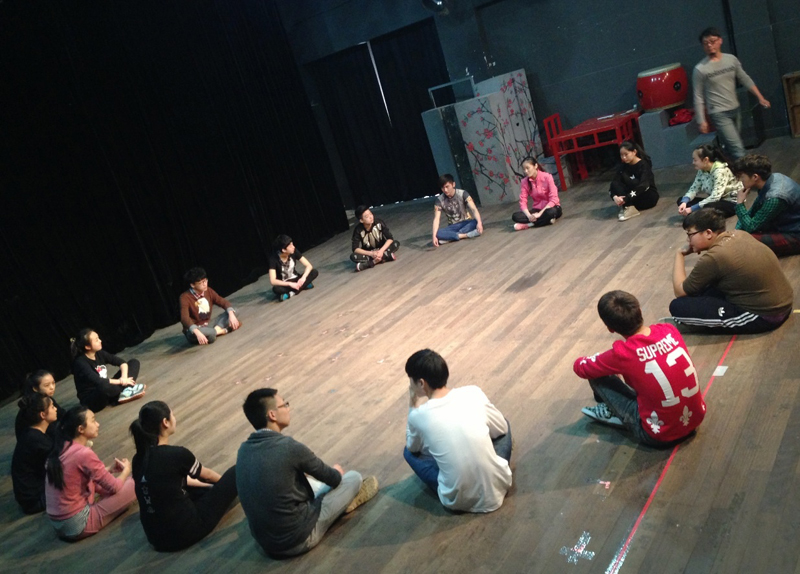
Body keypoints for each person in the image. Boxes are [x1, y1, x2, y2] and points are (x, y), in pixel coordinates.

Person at [236, 388, 378, 557]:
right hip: (300, 538)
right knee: (353, 478)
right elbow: (333, 478)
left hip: (267, 545)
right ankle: (343, 504)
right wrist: (336, 472)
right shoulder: (288, 447)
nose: (288, 408)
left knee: (305, 481)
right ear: (272, 415)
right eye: (284, 405)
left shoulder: (243, 450)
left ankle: (337, 502)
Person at [574, 291, 706, 446]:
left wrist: (605, 360)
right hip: (694, 421)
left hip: (657, 435)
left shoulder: (622, 353)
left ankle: (612, 410)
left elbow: (581, 367)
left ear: (610, 328)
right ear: (640, 311)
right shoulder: (668, 330)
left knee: (597, 375)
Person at [404, 349, 512, 513]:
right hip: (499, 486)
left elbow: (412, 448)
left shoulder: (418, 416)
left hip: (457, 500)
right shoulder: (472, 392)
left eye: (410, 380)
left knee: (408, 452)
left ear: (421, 383)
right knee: (504, 423)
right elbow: (502, 428)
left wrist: (412, 405)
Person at [130, 401, 238, 552]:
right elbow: (207, 476)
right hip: (188, 531)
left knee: (191, 487)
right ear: (165, 422)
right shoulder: (176, 454)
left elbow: (169, 481)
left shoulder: (138, 459)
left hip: (156, 539)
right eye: (172, 415)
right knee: (236, 471)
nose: (174, 418)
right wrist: (225, 487)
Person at [671, 208, 793, 333]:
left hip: (766, 316)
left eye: (690, 234)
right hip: (784, 303)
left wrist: (679, 254)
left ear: (708, 233)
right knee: (702, 288)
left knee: (677, 307)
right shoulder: (740, 234)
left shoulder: (715, 257)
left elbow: (680, 291)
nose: (688, 240)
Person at [45, 406, 137, 540]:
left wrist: (108, 469)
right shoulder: (83, 453)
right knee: (135, 481)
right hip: (78, 524)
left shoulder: (61, 448)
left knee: (108, 484)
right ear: (80, 429)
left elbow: (78, 479)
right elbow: (114, 487)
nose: (97, 424)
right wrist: (127, 469)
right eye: (93, 421)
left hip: (59, 524)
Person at [693, 27, 771, 160]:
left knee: (730, 147)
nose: (709, 45)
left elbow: (744, 78)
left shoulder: (731, 60)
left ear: (720, 41)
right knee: (738, 149)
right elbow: (698, 96)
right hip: (718, 113)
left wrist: (760, 97)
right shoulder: (700, 69)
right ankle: (747, 171)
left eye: (712, 41)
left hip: (735, 109)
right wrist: (701, 120)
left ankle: (727, 168)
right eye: (706, 43)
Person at [732, 154, 800, 256]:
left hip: (795, 234)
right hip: (785, 224)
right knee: (741, 235)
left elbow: (751, 227)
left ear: (755, 177)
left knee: (744, 240)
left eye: (742, 177)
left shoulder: (775, 197)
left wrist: (740, 204)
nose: (741, 180)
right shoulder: (773, 178)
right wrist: (736, 231)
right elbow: (753, 211)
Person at [71, 328, 145, 412]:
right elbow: (99, 381)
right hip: (93, 397)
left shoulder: (99, 353)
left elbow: (122, 363)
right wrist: (121, 382)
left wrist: (124, 378)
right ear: (87, 347)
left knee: (133, 363)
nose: (100, 341)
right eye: (96, 340)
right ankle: (123, 392)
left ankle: (122, 393)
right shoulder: (80, 363)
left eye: (98, 338)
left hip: (108, 386)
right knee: (104, 387)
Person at [12, 394, 58, 514]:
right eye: (52, 407)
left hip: (32, 496)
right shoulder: (35, 439)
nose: (56, 409)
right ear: (43, 415)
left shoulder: (32, 433)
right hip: (35, 500)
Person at [179, 267, 241, 345]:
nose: (205, 284)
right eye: (201, 283)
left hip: (208, 325)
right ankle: (222, 331)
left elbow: (222, 302)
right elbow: (184, 318)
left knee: (234, 310)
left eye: (205, 281)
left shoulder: (208, 291)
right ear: (192, 285)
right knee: (210, 335)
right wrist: (197, 332)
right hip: (195, 330)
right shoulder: (184, 297)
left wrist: (231, 315)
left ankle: (216, 331)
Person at [677, 143, 741, 218]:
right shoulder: (702, 170)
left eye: (695, 160)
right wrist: (684, 202)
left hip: (730, 203)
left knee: (709, 206)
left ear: (705, 160)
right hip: (716, 201)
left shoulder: (720, 171)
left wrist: (692, 208)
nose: (693, 162)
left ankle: (699, 215)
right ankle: (700, 214)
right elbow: (694, 188)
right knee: (681, 200)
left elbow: (715, 197)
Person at [609, 141, 659, 221]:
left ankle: (627, 206)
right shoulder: (623, 167)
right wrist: (614, 197)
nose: (624, 157)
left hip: (647, 198)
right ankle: (628, 207)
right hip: (633, 199)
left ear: (634, 152)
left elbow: (644, 185)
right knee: (615, 183)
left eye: (626, 154)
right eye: (621, 155)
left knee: (634, 182)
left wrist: (626, 198)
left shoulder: (644, 165)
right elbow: (614, 184)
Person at [432, 174, 484, 246]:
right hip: (453, 226)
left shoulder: (463, 193)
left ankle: (450, 237)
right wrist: (434, 236)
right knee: (438, 233)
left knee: (476, 222)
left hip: (465, 222)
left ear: (453, 184)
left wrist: (479, 223)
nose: (445, 190)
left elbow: (474, 209)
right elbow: (436, 219)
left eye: (447, 187)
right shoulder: (439, 200)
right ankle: (465, 235)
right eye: (443, 188)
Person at [512, 157, 562, 230]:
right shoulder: (524, 182)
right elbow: (523, 202)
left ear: (535, 166)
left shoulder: (547, 177)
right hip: (537, 209)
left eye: (527, 168)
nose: (526, 171)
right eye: (524, 169)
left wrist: (539, 214)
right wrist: (529, 216)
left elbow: (554, 199)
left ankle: (529, 225)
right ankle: (546, 220)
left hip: (551, 208)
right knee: (515, 216)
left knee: (550, 212)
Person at [14, 370, 64, 439]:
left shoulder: (47, 399)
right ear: (35, 388)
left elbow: (62, 414)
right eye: (47, 385)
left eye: (53, 383)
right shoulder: (35, 406)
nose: (52, 387)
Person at [269, 235, 319, 301]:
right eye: (290, 246)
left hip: (296, 279)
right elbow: (273, 281)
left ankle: (290, 293)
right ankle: (304, 285)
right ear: (284, 250)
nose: (293, 247)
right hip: (286, 283)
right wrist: (290, 284)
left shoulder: (294, 251)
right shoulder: (274, 259)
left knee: (314, 272)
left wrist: (303, 278)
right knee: (276, 289)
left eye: (292, 244)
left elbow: (309, 266)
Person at [350, 205, 400, 272]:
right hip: (369, 252)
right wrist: (371, 253)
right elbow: (355, 248)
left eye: (371, 214)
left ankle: (371, 262)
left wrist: (381, 251)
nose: (371, 217)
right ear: (361, 220)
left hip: (382, 248)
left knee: (396, 243)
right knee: (353, 256)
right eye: (367, 216)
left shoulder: (379, 222)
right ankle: (385, 257)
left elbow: (390, 238)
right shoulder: (358, 230)